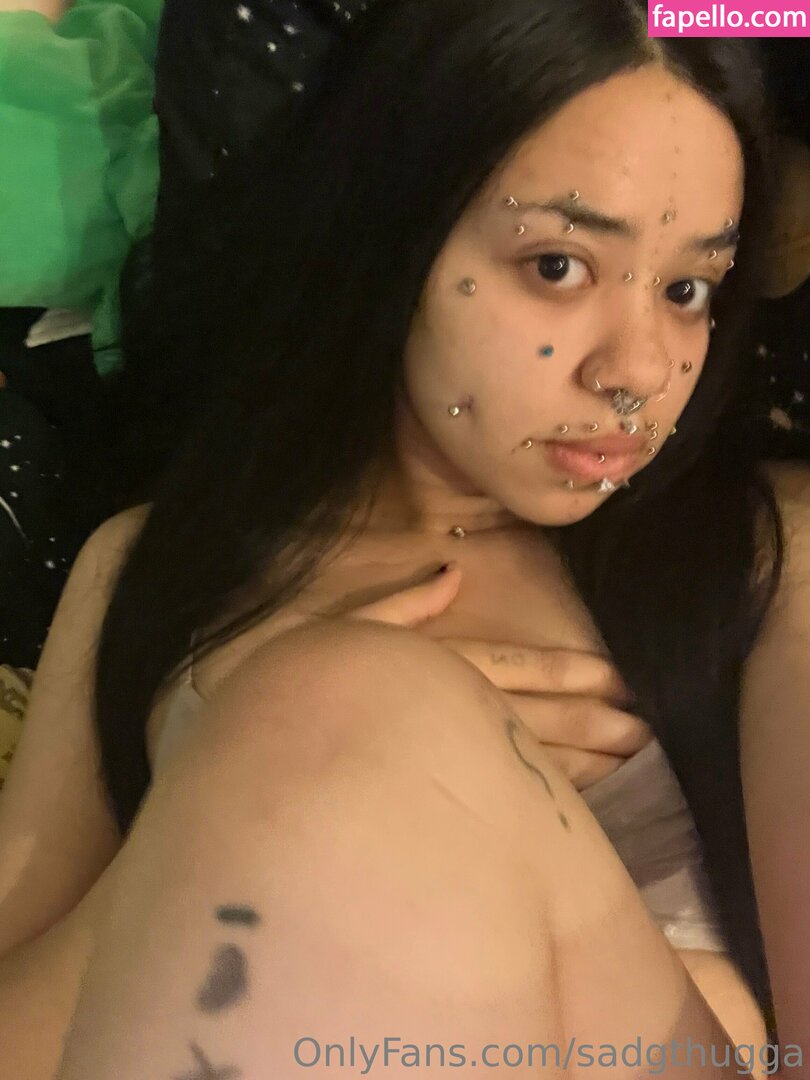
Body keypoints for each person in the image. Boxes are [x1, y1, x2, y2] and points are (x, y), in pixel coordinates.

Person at [1, 1, 808, 1075]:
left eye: (687, 289)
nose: (639, 371)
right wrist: (258, 775)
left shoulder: (769, 550)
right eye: (558, 267)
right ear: (397, 236)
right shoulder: (147, 567)